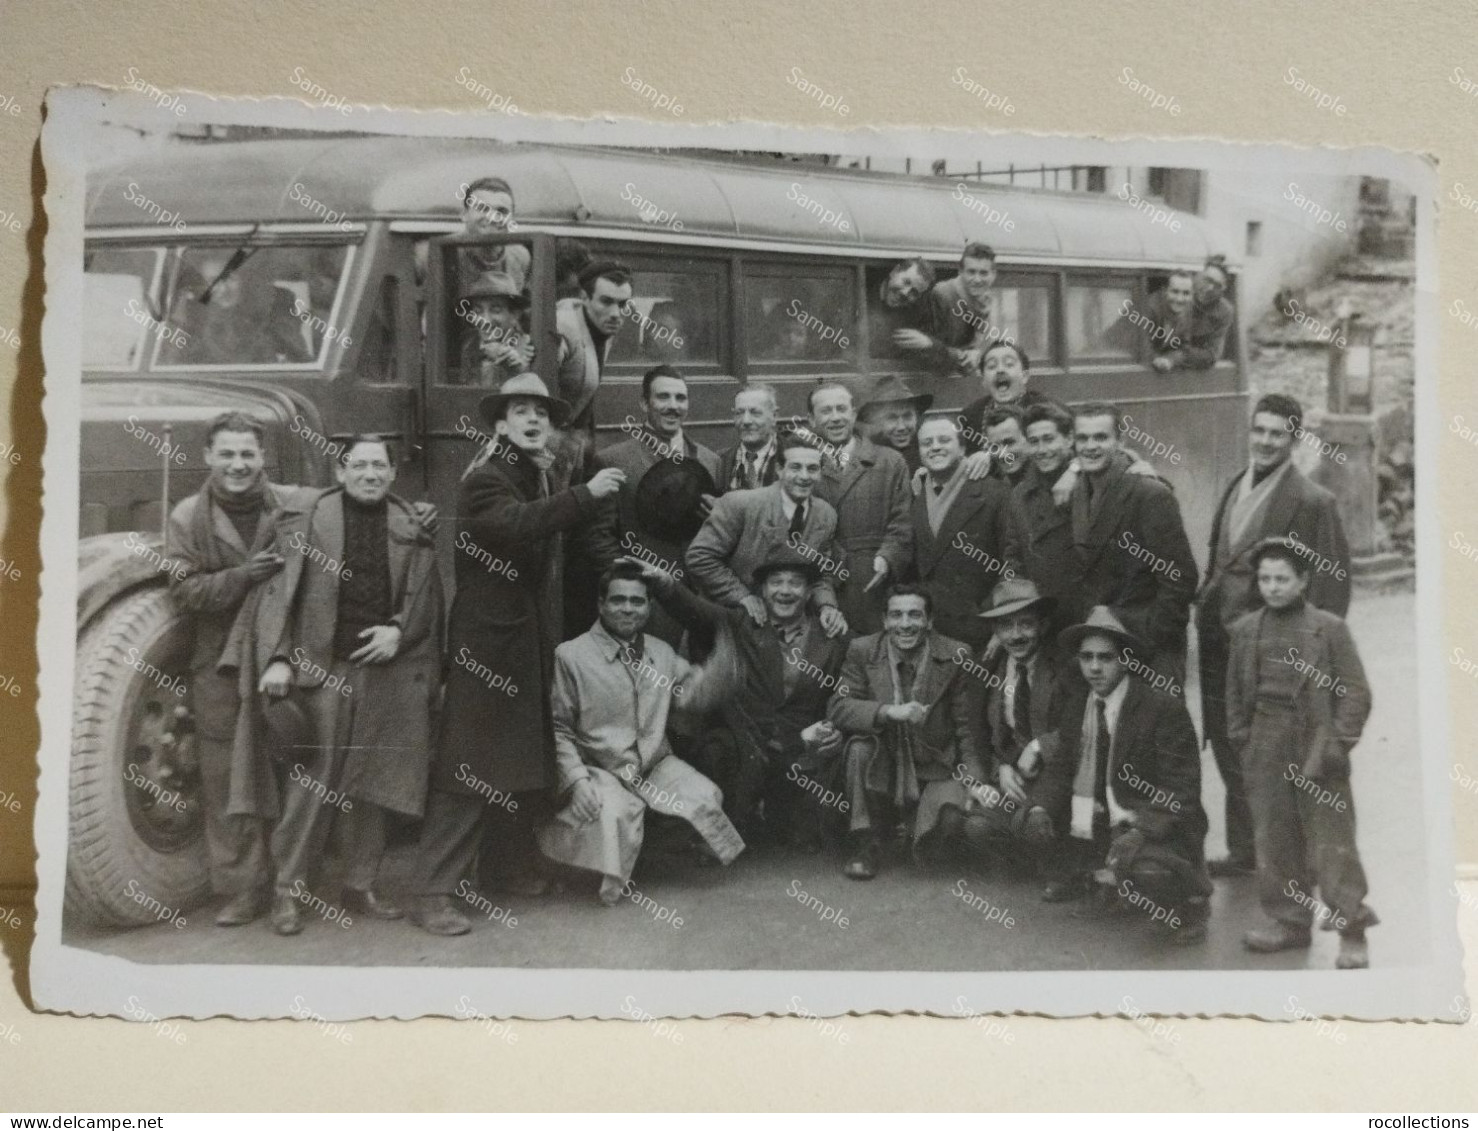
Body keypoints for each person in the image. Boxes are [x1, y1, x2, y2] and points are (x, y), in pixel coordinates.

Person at [410, 374, 626, 937]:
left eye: (542, 414)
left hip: (519, 639)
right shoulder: (488, 480)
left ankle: (505, 867)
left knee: (517, 757)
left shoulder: (532, 473)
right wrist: (586, 495)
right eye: (521, 412)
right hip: (487, 643)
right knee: (469, 765)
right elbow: (513, 527)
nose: (534, 421)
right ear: (501, 424)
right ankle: (433, 891)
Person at [242, 436, 444, 936]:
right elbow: (278, 595)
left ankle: (359, 883)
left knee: (373, 783)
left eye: (380, 466)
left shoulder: (410, 524)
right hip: (321, 667)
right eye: (360, 465)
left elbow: (426, 596)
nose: (370, 474)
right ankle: (287, 890)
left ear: (394, 473)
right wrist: (280, 658)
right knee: (312, 782)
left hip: (384, 672)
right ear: (341, 470)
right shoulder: (309, 517)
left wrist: (398, 629)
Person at [1197, 393, 1352, 878]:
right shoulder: (1234, 485)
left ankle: (1287, 861)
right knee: (1229, 744)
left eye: (1276, 433)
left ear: (1294, 438)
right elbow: (1218, 560)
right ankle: (1245, 850)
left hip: (1273, 651)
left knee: (1274, 754)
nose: (1264, 442)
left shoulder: (1311, 501)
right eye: (1258, 431)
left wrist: (1308, 662)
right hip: (1221, 646)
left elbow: (1330, 591)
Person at [538, 562, 745, 905]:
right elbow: (558, 728)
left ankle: (645, 853)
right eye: (618, 600)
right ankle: (568, 866)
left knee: (706, 797)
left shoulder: (661, 652)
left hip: (653, 765)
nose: (628, 609)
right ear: (601, 605)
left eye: (637, 602)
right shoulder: (571, 656)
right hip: (600, 768)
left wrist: (718, 667)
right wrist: (576, 779)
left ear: (649, 607)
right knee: (613, 814)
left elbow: (692, 691)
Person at [167, 413, 305, 927]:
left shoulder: (292, 503)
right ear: (207, 456)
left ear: (263, 457)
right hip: (218, 663)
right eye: (227, 454)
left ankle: (292, 886)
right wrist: (243, 577)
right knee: (227, 777)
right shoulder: (187, 517)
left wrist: (414, 515)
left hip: (278, 660)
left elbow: (354, 504)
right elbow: (183, 592)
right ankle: (245, 889)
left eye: (248, 454)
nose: (238, 465)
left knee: (289, 768)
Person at [634, 550, 850, 845]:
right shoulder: (740, 623)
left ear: (810, 591)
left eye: (795, 583)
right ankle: (732, 824)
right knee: (716, 749)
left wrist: (835, 730)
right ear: (762, 590)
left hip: (802, 748)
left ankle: (774, 819)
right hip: (749, 742)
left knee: (797, 837)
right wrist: (663, 583)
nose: (785, 591)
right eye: (776, 582)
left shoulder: (832, 637)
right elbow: (693, 609)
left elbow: (847, 695)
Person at [1227, 538, 1375, 969]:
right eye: (1265, 579)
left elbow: (1355, 692)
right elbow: (1234, 694)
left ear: (1303, 580)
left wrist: (1337, 743)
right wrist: (1244, 739)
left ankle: (1352, 928)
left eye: (1282, 579)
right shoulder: (1245, 630)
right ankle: (1289, 922)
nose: (1272, 587)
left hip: (1316, 739)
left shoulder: (1328, 629)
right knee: (1273, 837)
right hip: (1265, 740)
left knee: (1332, 841)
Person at [1030, 607, 1211, 945]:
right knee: (1028, 816)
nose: (1095, 668)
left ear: (1126, 660)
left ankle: (1188, 903)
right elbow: (1063, 767)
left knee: (1147, 870)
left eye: (1105, 658)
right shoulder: (1080, 706)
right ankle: (1100, 876)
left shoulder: (1161, 708)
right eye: (1086, 658)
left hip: (1154, 822)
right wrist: (1038, 807)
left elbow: (1181, 789)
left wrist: (1142, 830)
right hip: (1102, 818)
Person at [827, 585, 989, 880]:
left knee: (945, 834)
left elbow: (966, 726)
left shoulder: (956, 655)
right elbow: (838, 706)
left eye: (914, 615)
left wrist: (975, 780)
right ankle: (867, 842)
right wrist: (888, 711)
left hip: (935, 765)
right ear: (884, 621)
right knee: (859, 748)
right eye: (896, 615)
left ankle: (910, 825)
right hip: (884, 765)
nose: (904, 625)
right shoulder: (863, 650)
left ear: (929, 621)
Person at [1061, 401, 1198, 681]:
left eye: (1101, 437)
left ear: (1120, 441)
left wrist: (1148, 635)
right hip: (1101, 647)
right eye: (1082, 438)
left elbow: (1180, 578)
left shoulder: (1149, 494)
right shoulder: (1077, 492)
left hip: (1146, 650)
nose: (1090, 446)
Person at [593, 365, 721, 648]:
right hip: (647, 606)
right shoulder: (613, 461)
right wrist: (630, 591)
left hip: (701, 604)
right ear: (644, 403)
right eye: (663, 397)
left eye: (681, 398)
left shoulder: (711, 461)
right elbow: (599, 540)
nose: (673, 406)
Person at [687, 431, 849, 639]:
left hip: (785, 629)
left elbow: (820, 573)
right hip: (731, 621)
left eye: (812, 469)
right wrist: (741, 596)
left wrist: (826, 605)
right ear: (780, 470)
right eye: (795, 467)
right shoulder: (740, 504)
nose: (804, 476)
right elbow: (699, 557)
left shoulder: (826, 515)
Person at [961, 579, 1065, 871]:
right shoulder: (987, 670)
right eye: (1006, 626)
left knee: (1038, 824)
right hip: (1012, 776)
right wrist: (997, 770)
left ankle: (1060, 867)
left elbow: (1082, 726)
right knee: (977, 826)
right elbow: (976, 733)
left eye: (1026, 624)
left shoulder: (1064, 668)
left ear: (1043, 626)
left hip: (1057, 776)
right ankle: (1024, 861)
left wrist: (1040, 745)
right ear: (995, 631)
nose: (1016, 635)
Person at [807, 381, 914, 636]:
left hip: (873, 580)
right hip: (822, 582)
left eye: (841, 409)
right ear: (811, 420)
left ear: (853, 414)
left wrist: (887, 557)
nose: (835, 418)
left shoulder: (890, 461)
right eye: (826, 411)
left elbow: (903, 522)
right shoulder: (803, 466)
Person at [907, 416, 1013, 650]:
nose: (935, 447)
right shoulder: (915, 496)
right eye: (927, 443)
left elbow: (1012, 561)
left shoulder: (994, 493)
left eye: (944, 440)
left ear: (963, 447)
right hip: (932, 630)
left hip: (981, 627)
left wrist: (998, 619)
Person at [1002, 401, 1078, 615]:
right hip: (1042, 616)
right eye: (1034, 442)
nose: (1042, 450)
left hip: (1087, 617)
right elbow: (1013, 558)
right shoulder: (1020, 494)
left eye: (1049, 439)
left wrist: (1076, 469)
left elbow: (1119, 460)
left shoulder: (1090, 480)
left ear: (1069, 439)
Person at [555, 260, 634, 445]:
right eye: (606, 301)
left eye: (622, 304)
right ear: (584, 297)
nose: (615, 313)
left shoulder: (604, 325)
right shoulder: (562, 328)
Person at [903, 242, 1002, 378]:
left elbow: (982, 342)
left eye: (984, 273)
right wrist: (966, 356)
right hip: (937, 379)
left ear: (993, 274)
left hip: (967, 376)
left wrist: (978, 354)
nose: (977, 279)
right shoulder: (942, 294)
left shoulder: (986, 300)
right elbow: (930, 349)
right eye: (971, 272)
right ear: (960, 272)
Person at [955, 340, 1048, 459]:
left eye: (1009, 364)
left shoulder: (1046, 409)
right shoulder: (970, 416)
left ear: (1024, 376)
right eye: (992, 366)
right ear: (983, 381)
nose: (1000, 370)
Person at [456, 271, 533, 387]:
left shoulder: (529, 347)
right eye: (478, 311)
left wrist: (521, 371)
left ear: (514, 315)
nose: (484, 320)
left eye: (495, 310)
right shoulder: (469, 346)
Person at [455, 176, 530, 293]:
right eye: (482, 208)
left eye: (501, 211)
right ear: (464, 214)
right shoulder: (437, 252)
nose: (492, 217)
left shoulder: (520, 256)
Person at [1159, 255, 1234, 371]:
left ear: (1223, 290)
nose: (1209, 288)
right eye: (1207, 280)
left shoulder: (1224, 311)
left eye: (1217, 285)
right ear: (1197, 276)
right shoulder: (1177, 293)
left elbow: (1211, 355)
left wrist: (1176, 357)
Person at [867, 257, 941, 365]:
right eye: (906, 282)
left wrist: (929, 344)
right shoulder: (861, 292)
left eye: (914, 293)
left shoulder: (913, 315)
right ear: (894, 272)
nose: (905, 293)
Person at [857, 374, 933, 475]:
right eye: (892, 418)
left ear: (916, 418)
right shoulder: (868, 457)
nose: (901, 427)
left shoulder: (929, 450)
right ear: (877, 422)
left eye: (907, 416)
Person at [716, 383, 782, 494]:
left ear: (774, 416)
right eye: (739, 413)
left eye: (755, 413)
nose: (746, 421)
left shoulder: (793, 458)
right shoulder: (720, 462)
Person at [982, 404, 1031, 489]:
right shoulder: (990, 483)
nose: (1003, 454)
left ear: (1029, 438)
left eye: (1009, 443)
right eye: (994, 447)